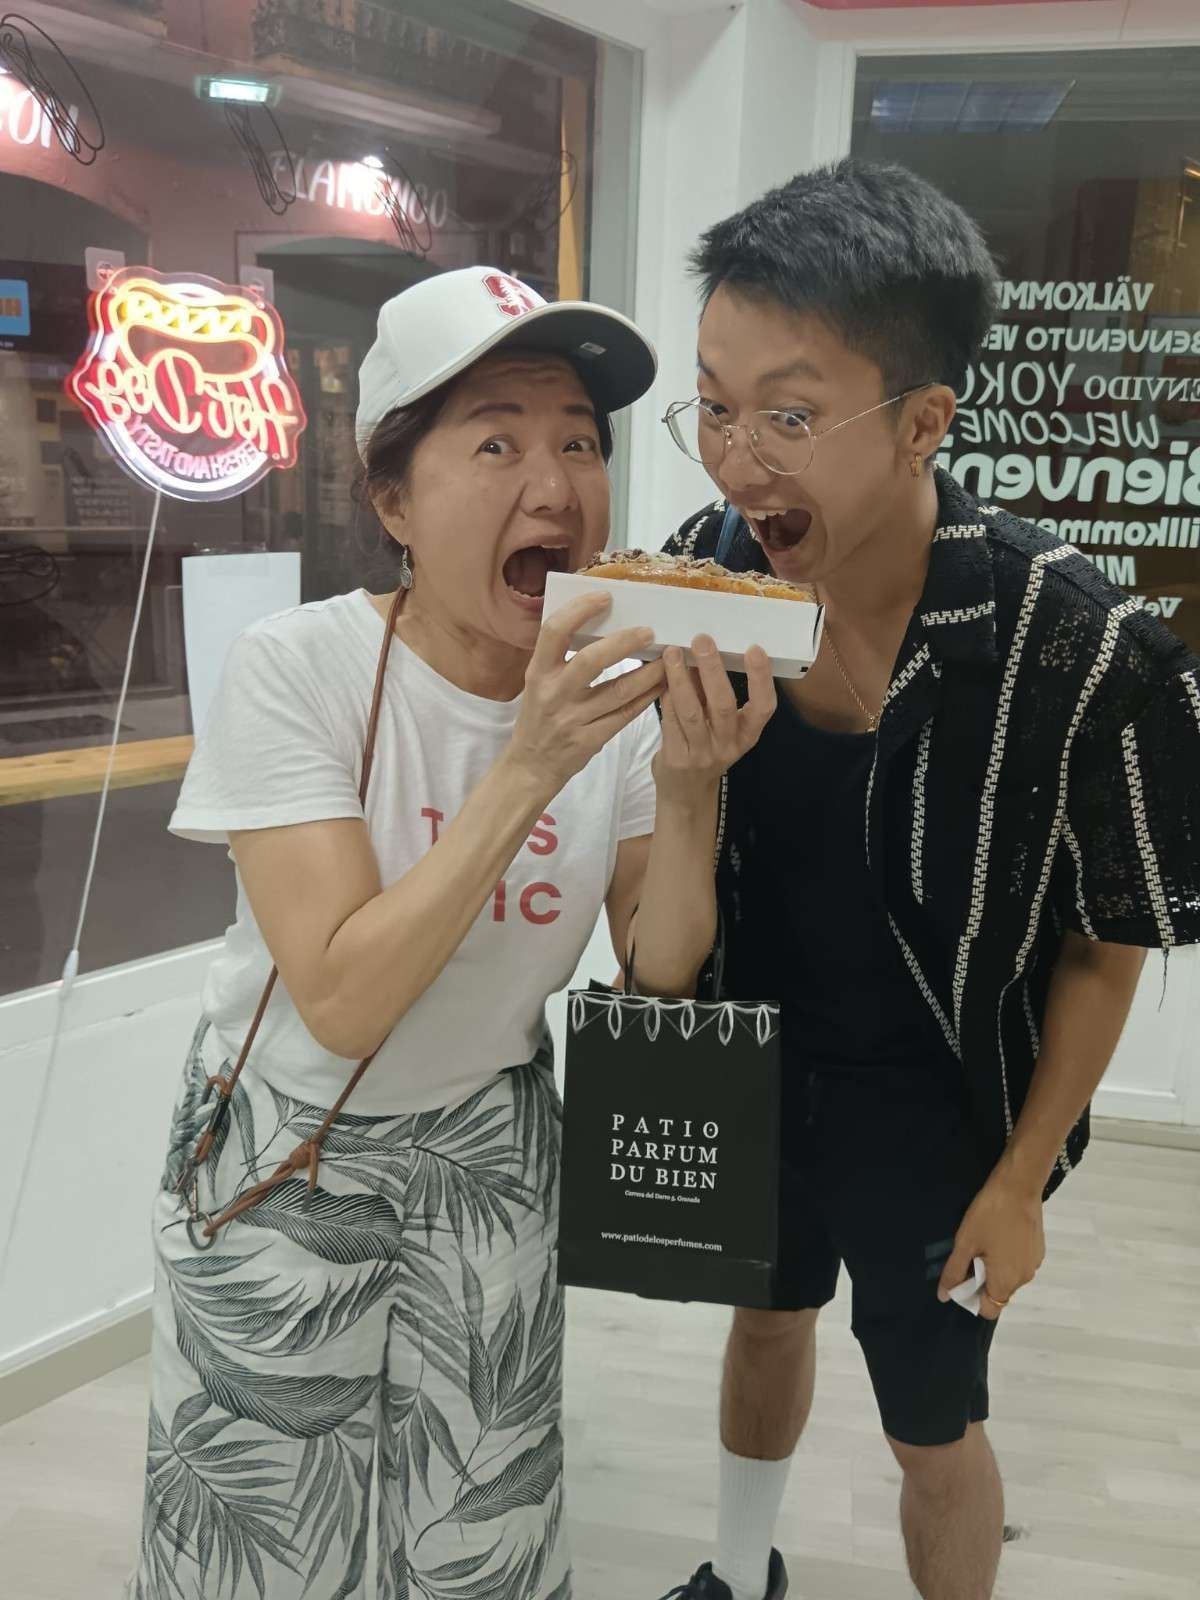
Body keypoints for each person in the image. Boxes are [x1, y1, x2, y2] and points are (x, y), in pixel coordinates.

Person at [630, 161, 1200, 1600]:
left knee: (932, 1425)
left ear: (924, 422)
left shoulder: (1070, 641)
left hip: (940, 1102)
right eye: (711, 401)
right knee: (763, 1326)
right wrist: (678, 773)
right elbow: (669, 917)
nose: (733, 457)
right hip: (756, 1069)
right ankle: (740, 1570)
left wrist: (1022, 1183)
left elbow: (1105, 942)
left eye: (791, 414)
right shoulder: (706, 577)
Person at [131, 265, 678, 1600]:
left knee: (473, 1535)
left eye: (578, 442)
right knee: (268, 1544)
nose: (554, 484)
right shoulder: (297, 667)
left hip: (488, 1156)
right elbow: (341, 996)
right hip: (283, 1157)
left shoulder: (616, 699)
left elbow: (661, 964)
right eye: (495, 440)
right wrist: (528, 766)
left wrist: (702, 777)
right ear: (392, 500)